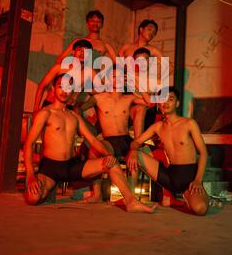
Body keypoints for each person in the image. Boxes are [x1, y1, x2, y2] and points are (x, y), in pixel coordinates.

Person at [24, 74, 155, 213]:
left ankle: (131, 202)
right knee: (33, 198)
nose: (64, 91)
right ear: (53, 89)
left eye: (68, 87)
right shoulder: (46, 113)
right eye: (60, 86)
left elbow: (92, 139)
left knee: (111, 162)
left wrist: (108, 154)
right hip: (50, 168)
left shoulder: (73, 116)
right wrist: (30, 174)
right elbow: (29, 143)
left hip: (71, 166)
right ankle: (49, 189)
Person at [127, 87, 209, 215]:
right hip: (170, 176)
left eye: (170, 99)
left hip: (190, 178)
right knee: (135, 155)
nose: (166, 102)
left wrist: (198, 180)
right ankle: (130, 199)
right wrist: (133, 150)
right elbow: (135, 142)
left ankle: (189, 195)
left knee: (200, 209)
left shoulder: (189, 123)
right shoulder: (157, 127)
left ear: (177, 103)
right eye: (163, 99)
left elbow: (203, 153)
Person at [79, 66, 151, 194]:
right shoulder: (99, 98)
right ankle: (97, 194)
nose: (116, 79)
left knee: (134, 158)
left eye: (119, 77)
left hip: (125, 138)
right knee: (93, 153)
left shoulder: (128, 98)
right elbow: (78, 110)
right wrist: (88, 129)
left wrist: (134, 80)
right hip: (109, 141)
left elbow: (149, 102)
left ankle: (130, 194)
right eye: (113, 77)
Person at [33, 39, 96, 113]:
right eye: (79, 50)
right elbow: (42, 85)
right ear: (73, 52)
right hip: (50, 105)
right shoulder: (59, 67)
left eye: (86, 52)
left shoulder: (89, 72)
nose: (82, 53)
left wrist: (82, 104)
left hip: (68, 108)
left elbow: (103, 89)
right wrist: (36, 108)